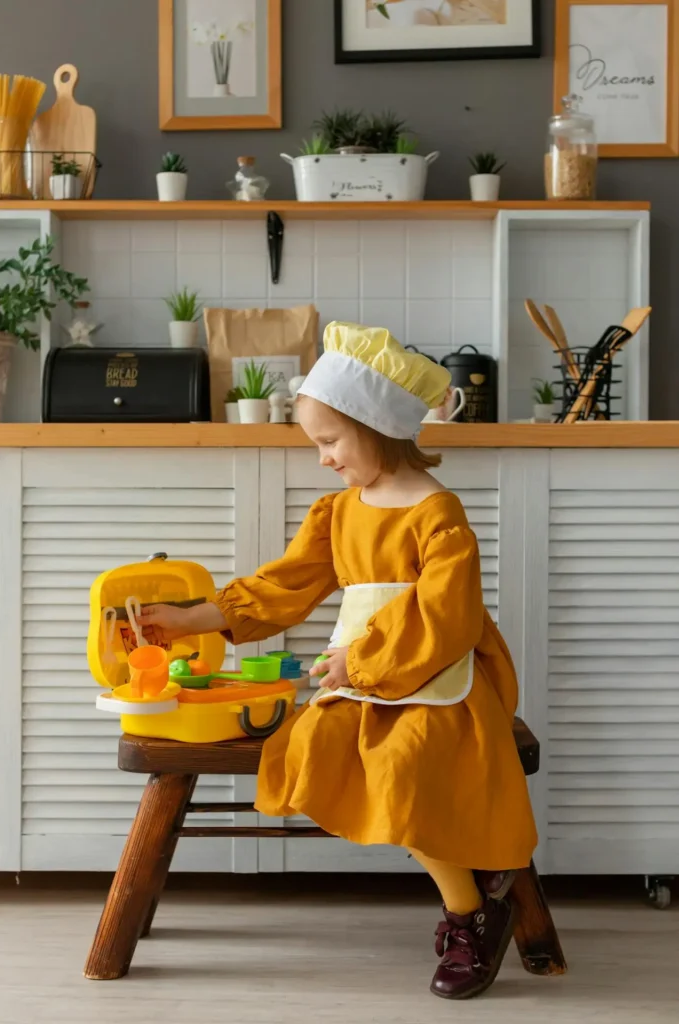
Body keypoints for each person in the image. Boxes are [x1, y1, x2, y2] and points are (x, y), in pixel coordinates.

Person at [139, 322, 537, 1000]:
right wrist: (187, 619)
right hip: (355, 678)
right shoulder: (338, 513)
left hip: (436, 674)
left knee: (405, 760)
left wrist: (367, 659)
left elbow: (448, 617)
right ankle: (479, 886)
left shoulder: (438, 516)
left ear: (377, 427)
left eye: (329, 442)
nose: (322, 459)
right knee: (319, 741)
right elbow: (281, 587)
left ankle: (470, 913)